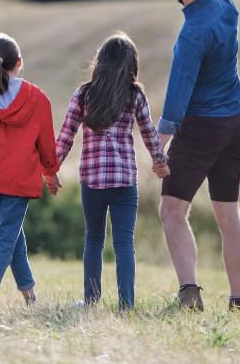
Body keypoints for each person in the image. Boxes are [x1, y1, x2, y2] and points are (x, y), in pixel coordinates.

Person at [157, 0, 240, 312]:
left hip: (201, 129)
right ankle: (238, 299)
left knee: (171, 211)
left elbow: (177, 98)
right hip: (236, 125)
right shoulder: (227, 6)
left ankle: (189, 293)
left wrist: (158, 146)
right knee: (229, 215)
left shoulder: (191, 34)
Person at [51, 32, 168, 311]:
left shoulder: (84, 94)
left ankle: (91, 300)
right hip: (124, 180)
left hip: (92, 180)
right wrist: (159, 160)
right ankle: (126, 304)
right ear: (132, 65)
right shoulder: (135, 95)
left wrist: (51, 169)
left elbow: (66, 135)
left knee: (93, 239)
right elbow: (149, 132)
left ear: (100, 61)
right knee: (124, 243)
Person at [0, 33, 60, 308]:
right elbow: (46, 144)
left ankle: (30, 296)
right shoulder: (38, 98)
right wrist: (51, 172)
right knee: (7, 236)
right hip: (20, 179)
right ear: (20, 62)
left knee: (12, 235)